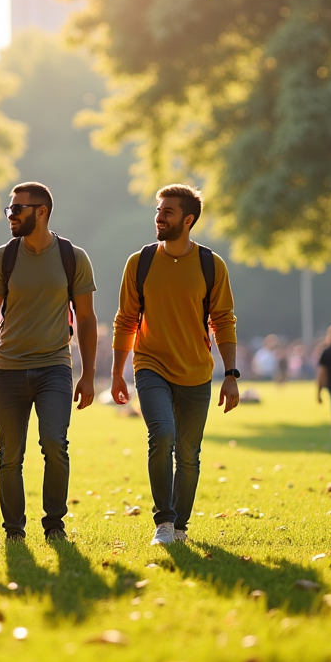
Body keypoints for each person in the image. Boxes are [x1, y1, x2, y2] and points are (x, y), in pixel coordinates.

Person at [112, 184, 239, 546]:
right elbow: (126, 320)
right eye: (158, 210)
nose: (159, 217)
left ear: (187, 219)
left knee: (188, 455)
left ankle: (180, 526)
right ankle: (164, 522)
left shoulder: (211, 265)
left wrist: (231, 374)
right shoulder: (140, 262)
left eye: (167, 211)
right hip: (150, 364)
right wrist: (117, 372)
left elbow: (223, 320)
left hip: (196, 371)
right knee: (162, 434)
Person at [0, 182, 98, 542]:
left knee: (55, 443)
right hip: (8, 369)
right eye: (9, 209)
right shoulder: (3, 257)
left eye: (18, 209)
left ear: (41, 212)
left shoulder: (73, 257)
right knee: (10, 455)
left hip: (54, 368)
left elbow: (86, 318)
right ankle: (14, 529)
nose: (10, 216)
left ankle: (54, 524)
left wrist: (88, 374)